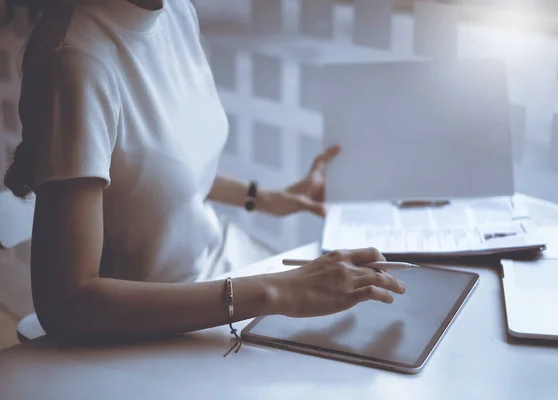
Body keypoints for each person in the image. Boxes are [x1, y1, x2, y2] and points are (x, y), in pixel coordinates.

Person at [3, 0, 406, 344]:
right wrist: (275, 291)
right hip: (159, 324)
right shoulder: (75, 61)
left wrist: (269, 198)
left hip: (226, 271)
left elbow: (156, 168)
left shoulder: (175, 12)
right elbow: (67, 305)